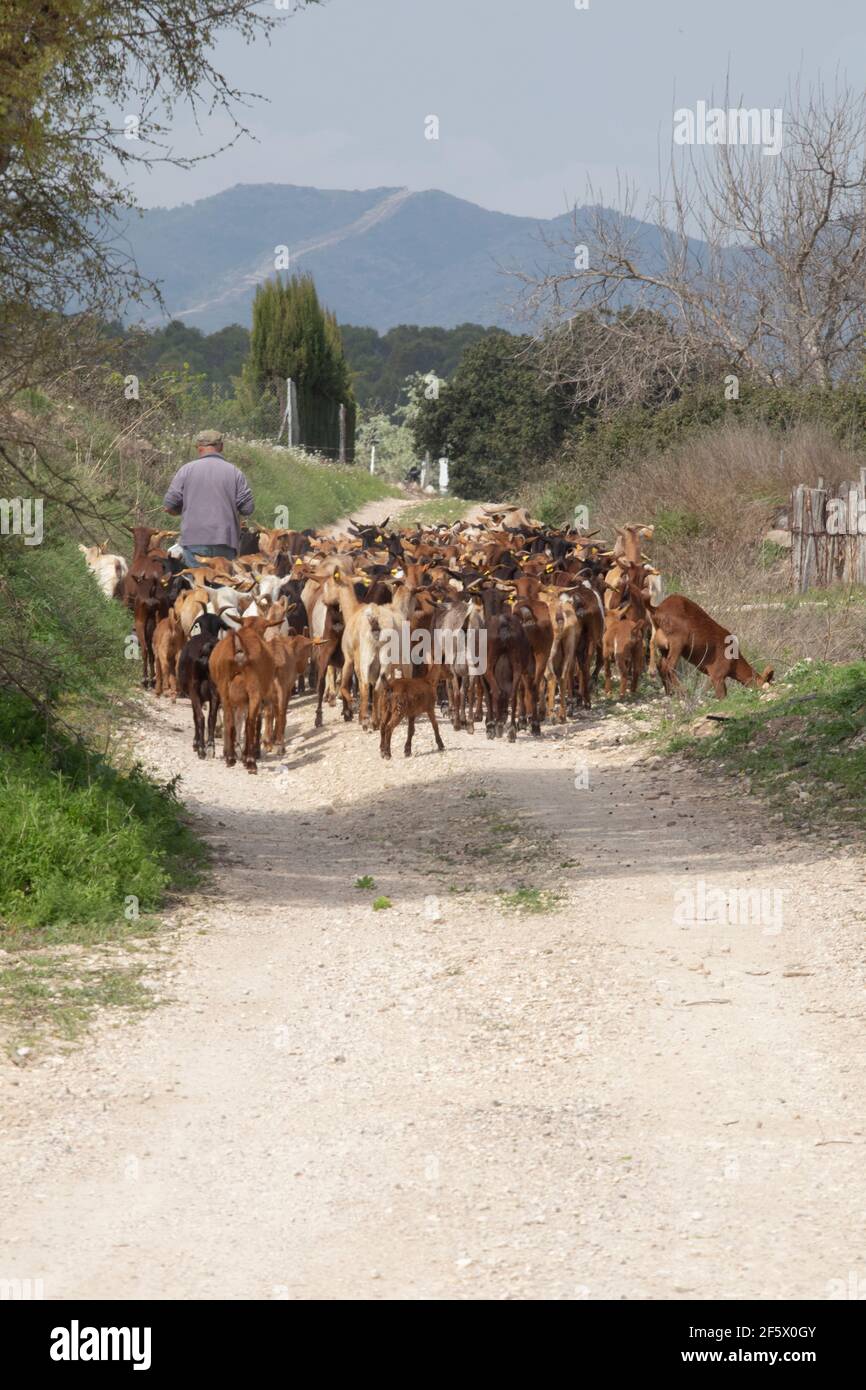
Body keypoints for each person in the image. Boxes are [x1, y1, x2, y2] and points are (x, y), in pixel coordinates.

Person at [163, 429, 254, 567]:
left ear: (199, 448)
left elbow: (169, 505)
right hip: (225, 541)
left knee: (198, 586)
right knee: (223, 585)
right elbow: (247, 508)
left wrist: (182, 510)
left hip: (194, 540)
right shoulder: (235, 472)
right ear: (221, 447)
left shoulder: (186, 470)